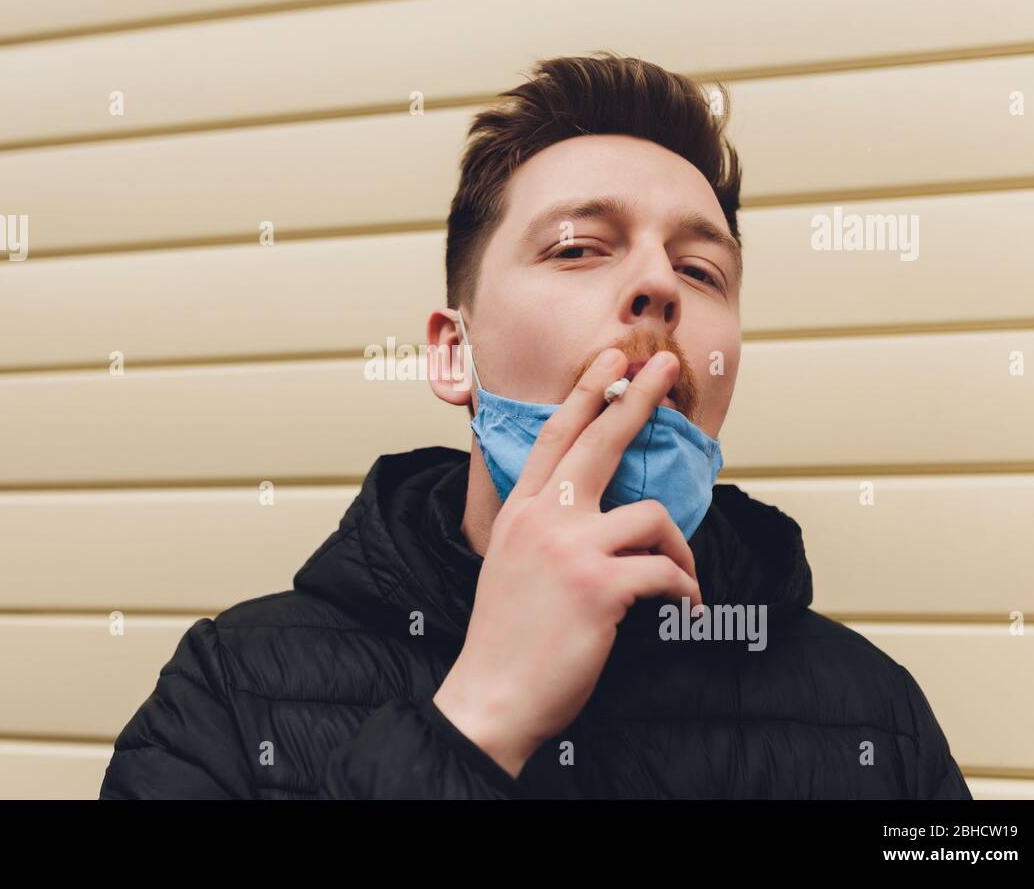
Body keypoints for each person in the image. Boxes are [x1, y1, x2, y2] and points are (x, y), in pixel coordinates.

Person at [99, 52, 971, 799]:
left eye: (701, 269)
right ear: (453, 355)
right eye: (579, 247)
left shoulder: (878, 720)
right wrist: (476, 719)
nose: (660, 285)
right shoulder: (227, 691)